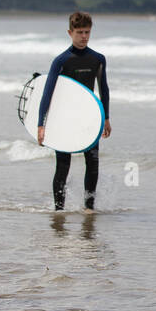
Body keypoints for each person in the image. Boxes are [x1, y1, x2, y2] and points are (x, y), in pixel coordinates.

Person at [37, 11, 111, 212]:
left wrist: (106, 118)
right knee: (63, 165)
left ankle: (89, 208)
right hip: (64, 120)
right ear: (70, 33)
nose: (84, 36)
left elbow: (104, 90)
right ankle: (58, 210)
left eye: (87, 32)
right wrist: (41, 124)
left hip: (89, 119)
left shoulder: (98, 59)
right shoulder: (61, 61)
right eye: (80, 32)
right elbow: (47, 94)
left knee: (93, 163)